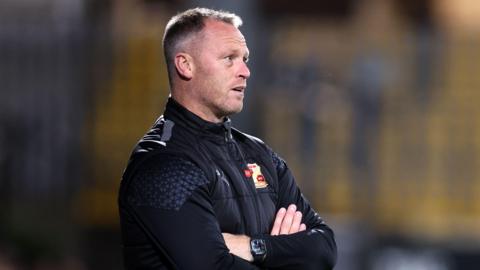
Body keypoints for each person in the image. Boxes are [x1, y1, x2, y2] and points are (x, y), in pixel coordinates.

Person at [118, 7, 337, 270]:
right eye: (229, 58)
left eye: (245, 58)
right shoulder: (163, 164)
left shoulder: (260, 155)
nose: (245, 71)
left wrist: (254, 246)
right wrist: (286, 255)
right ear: (185, 65)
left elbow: (324, 248)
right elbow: (211, 266)